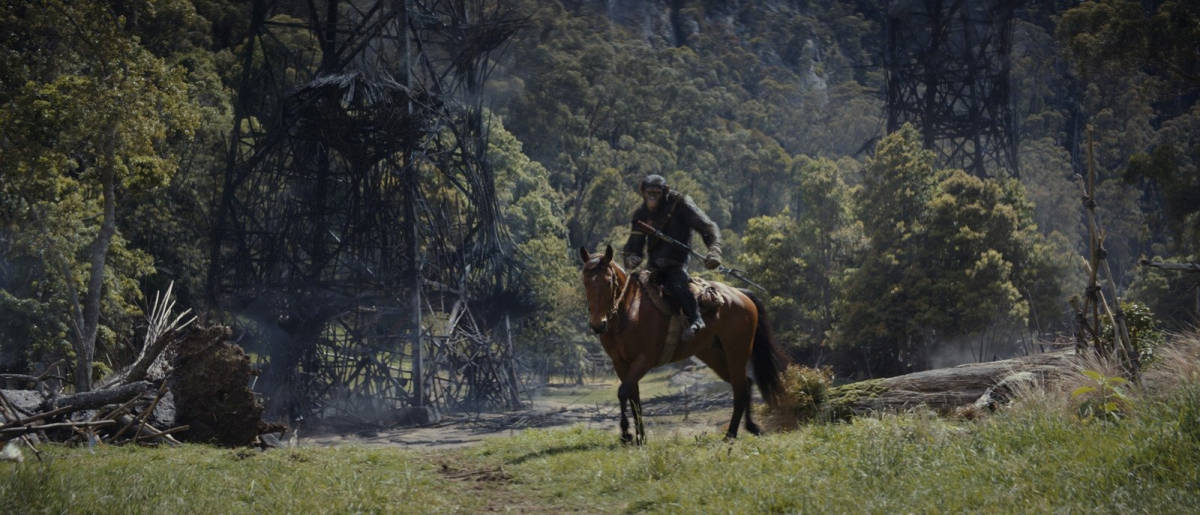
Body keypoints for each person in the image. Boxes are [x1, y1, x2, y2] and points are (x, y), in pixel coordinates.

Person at [621, 174, 722, 340]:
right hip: (653, 266)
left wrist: (714, 249)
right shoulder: (640, 214)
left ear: (665, 191)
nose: (652, 197)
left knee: (677, 283)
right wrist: (631, 257)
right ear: (642, 192)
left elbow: (707, 226)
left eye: (656, 193)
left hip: (676, 263)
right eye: (649, 193)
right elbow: (634, 244)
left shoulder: (680, 204)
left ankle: (696, 320)